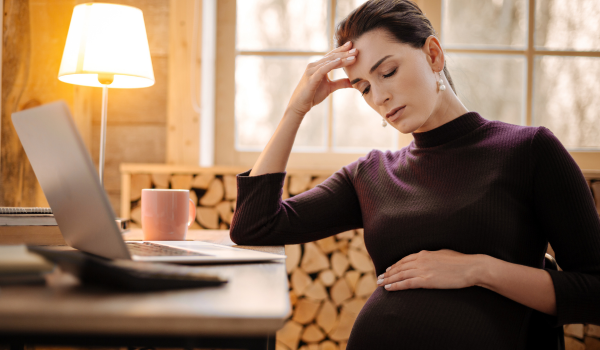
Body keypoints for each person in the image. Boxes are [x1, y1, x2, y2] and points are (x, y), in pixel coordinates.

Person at [229, 0, 600, 348]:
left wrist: (478, 269)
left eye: (388, 72)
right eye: (364, 88)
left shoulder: (528, 151)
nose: (380, 98)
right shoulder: (371, 174)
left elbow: (594, 290)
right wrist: (296, 109)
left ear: (433, 54)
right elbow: (255, 225)